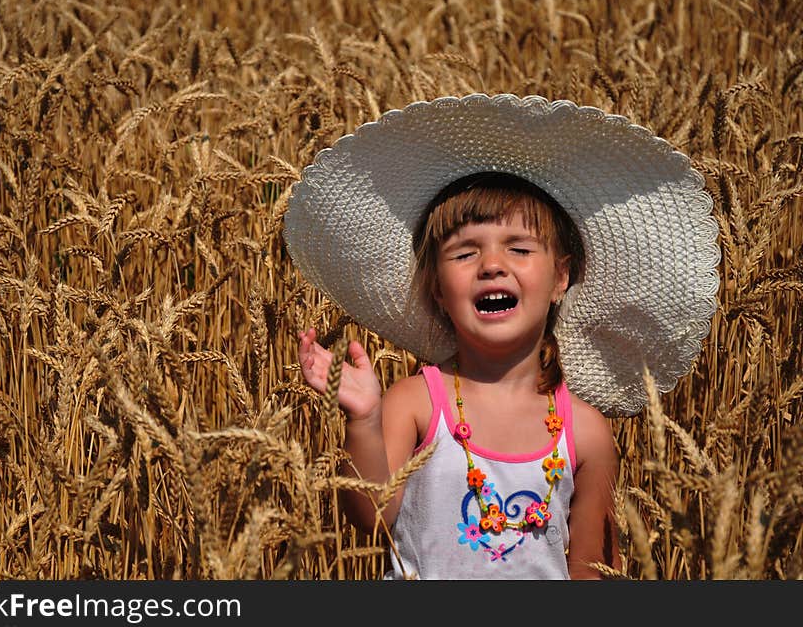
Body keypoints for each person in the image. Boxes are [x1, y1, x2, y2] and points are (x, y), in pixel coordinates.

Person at [283, 94, 720, 579]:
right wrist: (364, 419)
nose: (492, 265)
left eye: (518, 247)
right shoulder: (416, 403)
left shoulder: (587, 432)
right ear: (437, 289)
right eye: (464, 253)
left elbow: (592, 567)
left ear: (560, 279)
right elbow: (372, 518)